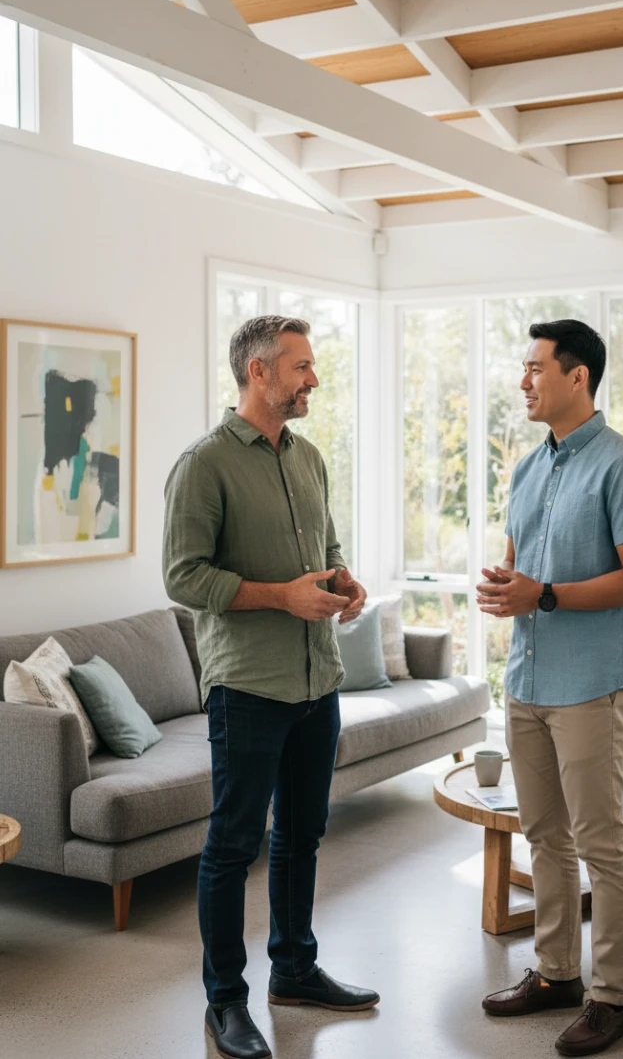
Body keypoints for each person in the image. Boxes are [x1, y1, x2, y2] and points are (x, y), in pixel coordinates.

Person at [163, 315, 379, 1059]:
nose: (313, 378)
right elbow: (182, 577)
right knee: (232, 845)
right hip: (249, 686)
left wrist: (342, 580)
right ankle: (225, 1001)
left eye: (311, 366)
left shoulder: (310, 458)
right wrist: (280, 596)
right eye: (301, 367)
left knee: (302, 834)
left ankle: (294, 969)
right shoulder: (205, 464)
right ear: (259, 372)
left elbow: (326, 546)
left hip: (319, 678)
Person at [477, 320, 623, 1057]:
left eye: (534, 368)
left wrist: (543, 595)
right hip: (526, 679)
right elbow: (520, 561)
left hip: (590, 685)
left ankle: (611, 998)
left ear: (578, 376)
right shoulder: (528, 469)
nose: (523, 381)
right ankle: (555, 973)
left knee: (601, 842)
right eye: (522, 369)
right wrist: (506, 588)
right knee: (544, 835)